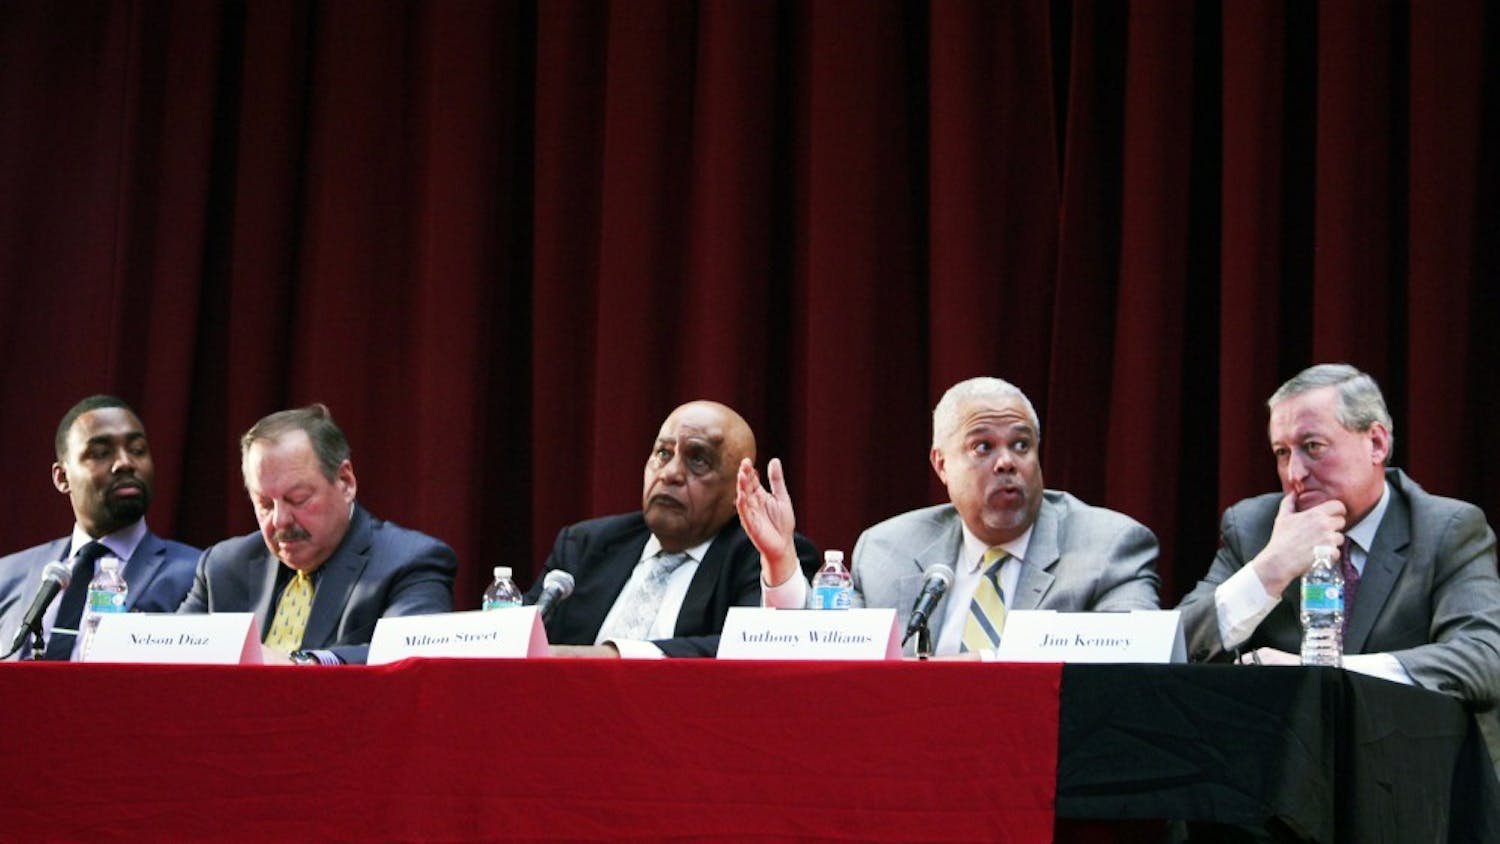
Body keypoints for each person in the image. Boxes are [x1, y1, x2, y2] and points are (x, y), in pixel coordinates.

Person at [1175, 363, 1500, 776]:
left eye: (1313, 446)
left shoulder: (1445, 530)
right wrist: (1269, 571)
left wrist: (1326, 674)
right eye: (1282, 453)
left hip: (1412, 777)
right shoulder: (1255, 527)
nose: (1294, 475)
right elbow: (1179, 646)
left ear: (1376, 443)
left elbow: (1482, 660)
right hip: (1285, 781)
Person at [743, 376, 1160, 657]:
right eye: (983, 447)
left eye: (1021, 445)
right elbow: (831, 652)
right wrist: (781, 563)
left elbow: (1135, 670)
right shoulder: (890, 548)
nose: (1006, 463)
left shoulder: (1107, 546)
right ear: (941, 465)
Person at [528, 400, 819, 657]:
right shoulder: (585, 545)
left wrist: (611, 658)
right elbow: (519, 638)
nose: (670, 474)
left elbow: (756, 646)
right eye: (663, 453)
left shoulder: (761, 558)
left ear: (739, 487)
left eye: (698, 460)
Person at [178, 404, 457, 665]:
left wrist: (301, 664)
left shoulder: (410, 561)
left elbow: (410, 657)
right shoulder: (223, 566)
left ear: (346, 482)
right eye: (264, 504)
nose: (280, 520)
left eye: (298, 499)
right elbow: (171, 656)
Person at [0, 395, 199, 660]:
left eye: (138, 449)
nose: (125, 463)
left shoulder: (196, 574)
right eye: (101, 454)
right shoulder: (9, 575)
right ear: (62, 477)